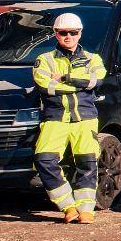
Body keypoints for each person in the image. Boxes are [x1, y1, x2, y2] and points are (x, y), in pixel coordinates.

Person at [32, 12, 107, 224]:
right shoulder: (43, 60)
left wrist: (65, 78)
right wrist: (79, 85)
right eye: (63, 32)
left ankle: (86, 210)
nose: (68, 36)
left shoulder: (94, 58)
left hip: (85, 118)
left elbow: (96, 80)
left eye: (73, 32)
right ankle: (68, 206)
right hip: (55, 118)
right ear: (55, 34)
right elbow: (46, 86)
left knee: (87, 163)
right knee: (44, 160)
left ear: (80, 33)